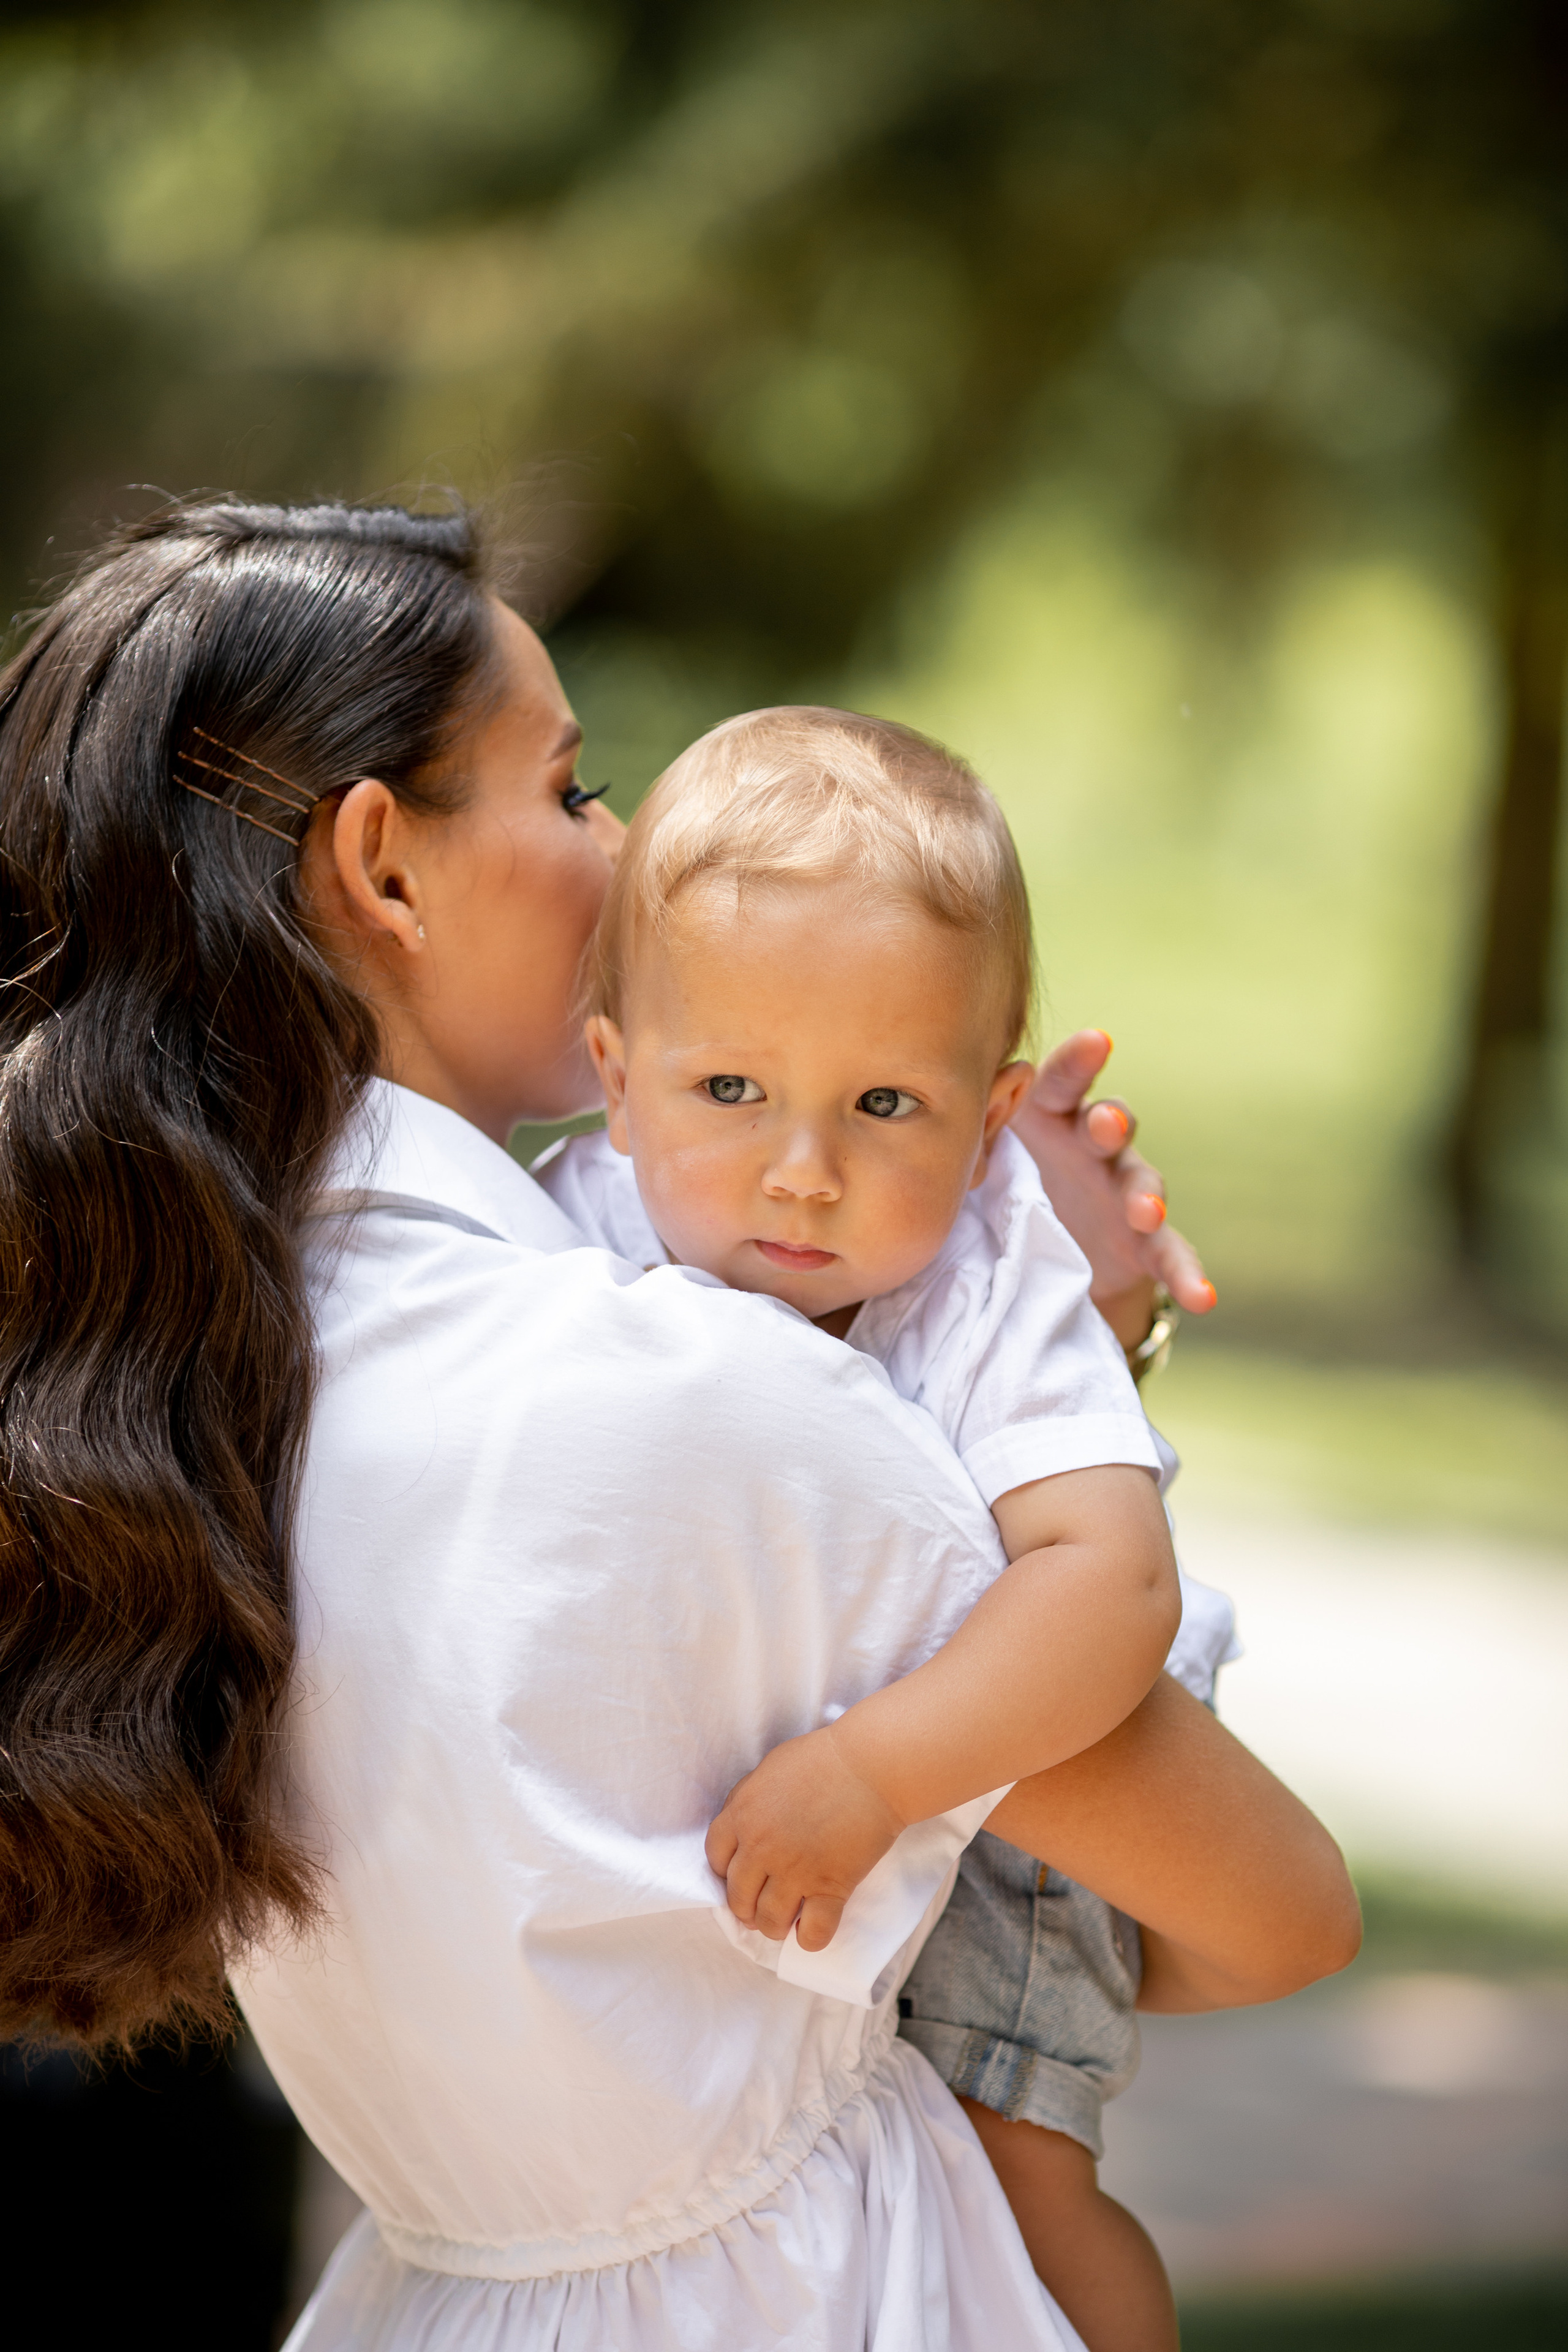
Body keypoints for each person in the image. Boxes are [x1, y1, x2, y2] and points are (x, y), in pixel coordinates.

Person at [0, 497, 1359, 2352]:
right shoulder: (705, 1405)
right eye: (569, 792)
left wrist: (972, 1288)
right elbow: (1274, 1915)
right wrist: (1009, 1342)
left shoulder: (191, 1387)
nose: (626, 843)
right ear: (385, 867)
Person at [533, 703, 1236, 2349]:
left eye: (886, 1108)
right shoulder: (567, 1231)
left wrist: (880, 1775)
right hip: (779, 1779)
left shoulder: (999, 1276)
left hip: (1019, 1775)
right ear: (616, 1082)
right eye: (732, 1088)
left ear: (993, 1121)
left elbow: (1109, 1581)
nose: (801, 1172)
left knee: (1014, 2179)